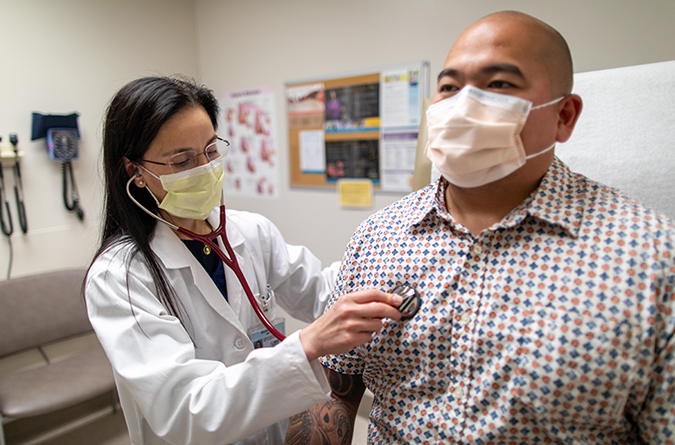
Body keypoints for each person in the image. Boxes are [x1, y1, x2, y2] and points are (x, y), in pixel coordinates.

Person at [285, 11, 675, 444]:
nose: (464, 104)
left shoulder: (651, 259)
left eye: (500, 85)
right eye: (450, 87)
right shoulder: (380, 238)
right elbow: (335, 394)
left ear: (564, 116)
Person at [84, 76, 403, 445]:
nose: (204, 168)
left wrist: (391, 262)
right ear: (135, 172)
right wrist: (307, 344)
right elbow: (185, 410)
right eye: (181, 160)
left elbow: (324, 292)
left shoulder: (250, 232)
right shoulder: (119, 276)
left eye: (210, 150)